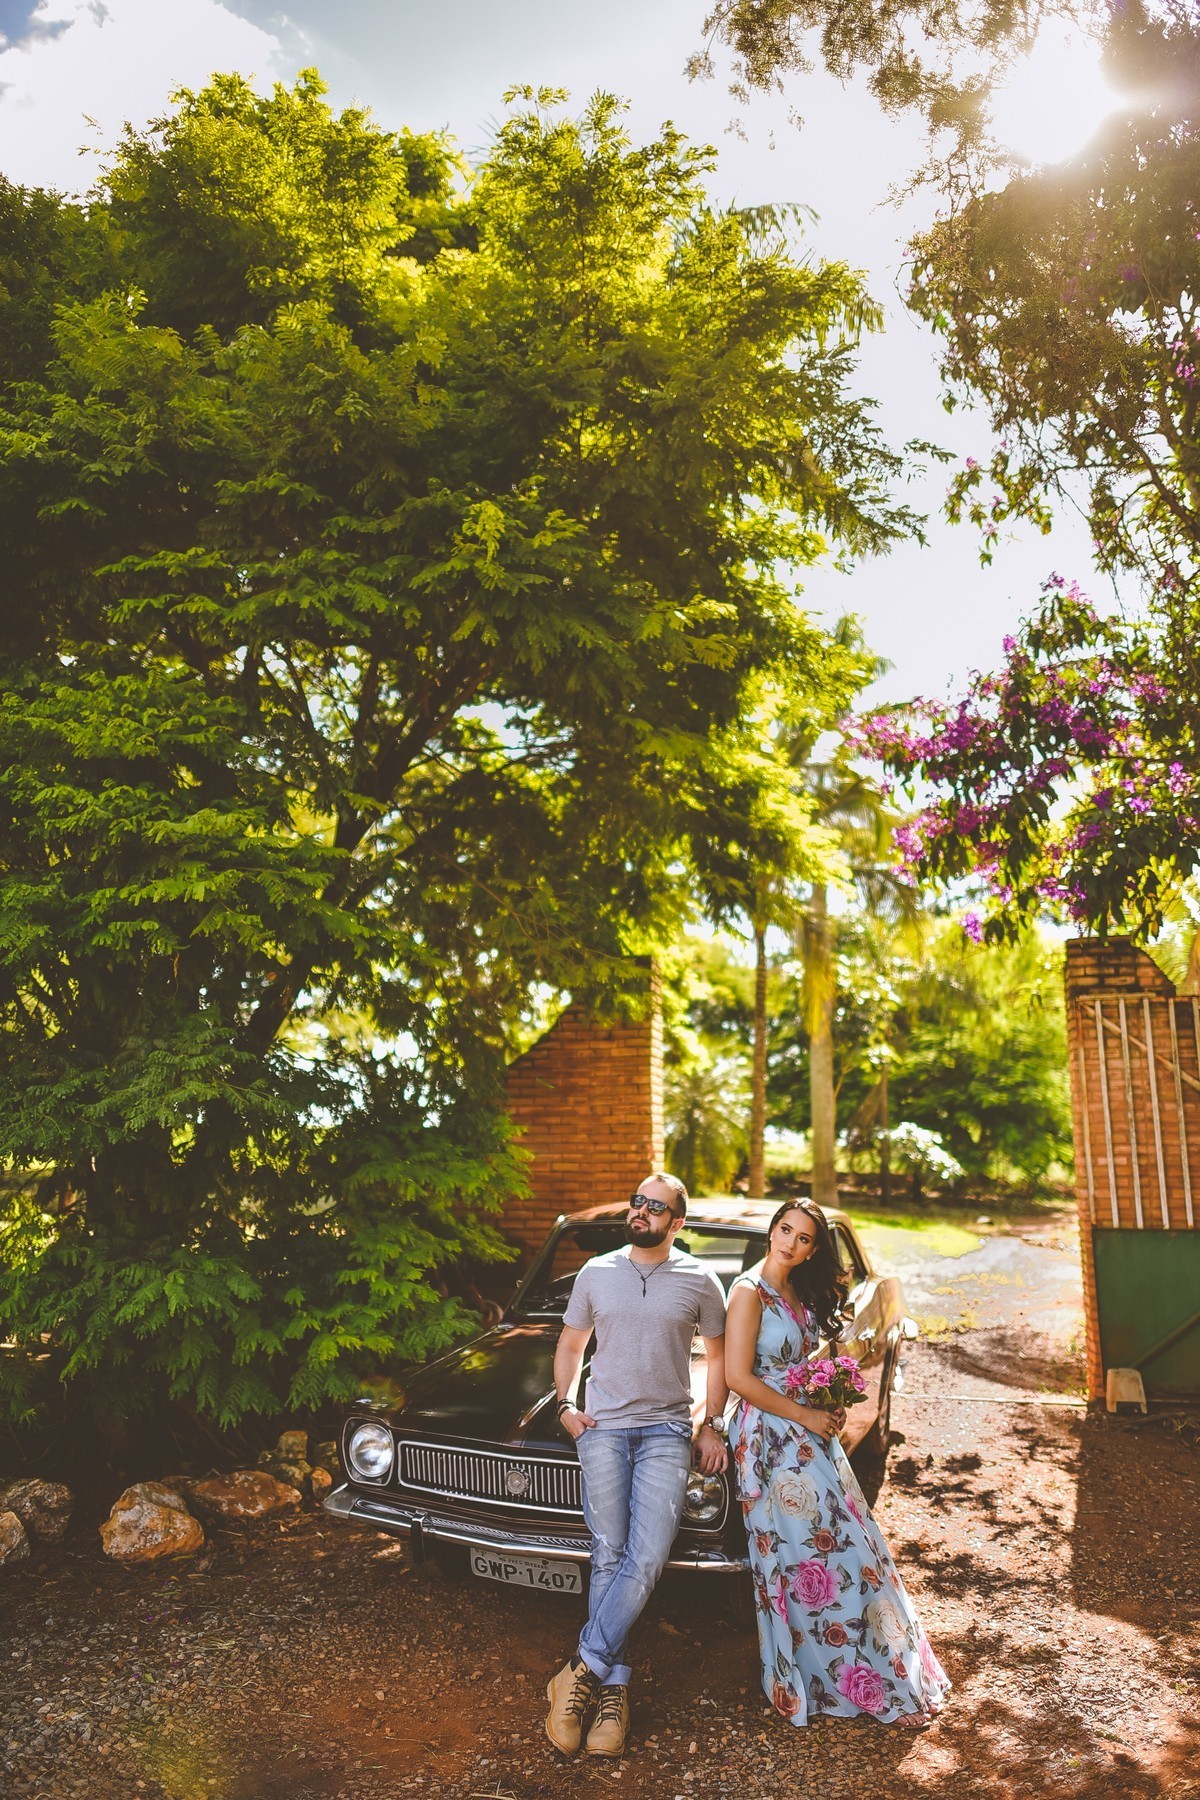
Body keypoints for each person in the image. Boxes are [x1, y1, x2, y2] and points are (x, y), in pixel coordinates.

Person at [726, 1198, 950, 1728]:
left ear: (812, 1249)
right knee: (806, 1557)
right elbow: (739, 1377)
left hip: (804, 1432)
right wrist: (804, 1412)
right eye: (784, 1230)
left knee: (849, 1543)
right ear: (771, 1231)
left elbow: (802, 1361)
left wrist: (827, 1394)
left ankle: (876, 1661)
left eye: (803, 1238)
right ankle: (823, 1674)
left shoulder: (796, 1291)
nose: (790, 1243)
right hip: (769, 1437)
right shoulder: (747, 1292)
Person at [545, 1173, 729, 1759]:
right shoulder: (596, 1271)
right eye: (637, 1202)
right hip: (601, 1428)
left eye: (656, 1207)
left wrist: (713, 1423)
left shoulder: (700, 1279)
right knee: (610, 1553)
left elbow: (720, 1358)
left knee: (646, 1555)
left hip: (667, 1431)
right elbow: (573, 1345)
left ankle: (579, 1671)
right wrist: (567, 1406)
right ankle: (613, 1687)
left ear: (677, 1223)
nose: (641, 1211)